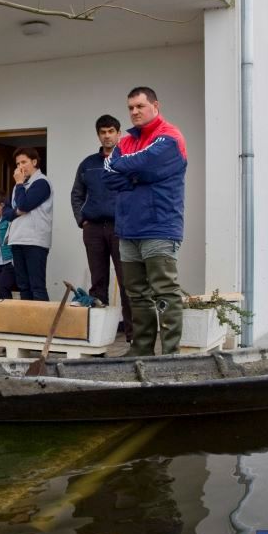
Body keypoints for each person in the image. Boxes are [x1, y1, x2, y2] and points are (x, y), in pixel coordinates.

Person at [103, 87, 187, 356]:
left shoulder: (170, 136)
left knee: (165, 291)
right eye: (130, 107)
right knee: (136, 293)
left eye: (140, 106)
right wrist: (138, 175)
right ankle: (141, 350)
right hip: (128, 228)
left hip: (160, 226)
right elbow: (108, 173)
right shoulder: (125, 141)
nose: (134, 111)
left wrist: (131, 172)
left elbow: (148, 162)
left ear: (155, 105)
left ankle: (171, 354)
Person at [71, 114, 133, 342]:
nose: (107, 136)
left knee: (127, 281)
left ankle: (133, 337)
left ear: (119, 133)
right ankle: (98, 336)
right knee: (98, 282)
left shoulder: (128, 161)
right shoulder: (88, 164)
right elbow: (77, 194)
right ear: (98, 135)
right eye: (103, 132)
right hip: (94, 229)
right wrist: (82, 220)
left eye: (111, 131)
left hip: (121, 229)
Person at [4, 147, 52, 301]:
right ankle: (28, 317)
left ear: (34, 162)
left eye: (24, 162)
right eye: (18, 164)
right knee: (23, 286)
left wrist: (19, 183)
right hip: (17, 238)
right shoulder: (18, 186)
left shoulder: (41, 182)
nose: (20, 167)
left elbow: (24, 205)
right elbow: (6, 212)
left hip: (34, 240)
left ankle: (43, 317)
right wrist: (17, 212)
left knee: (36, 286)